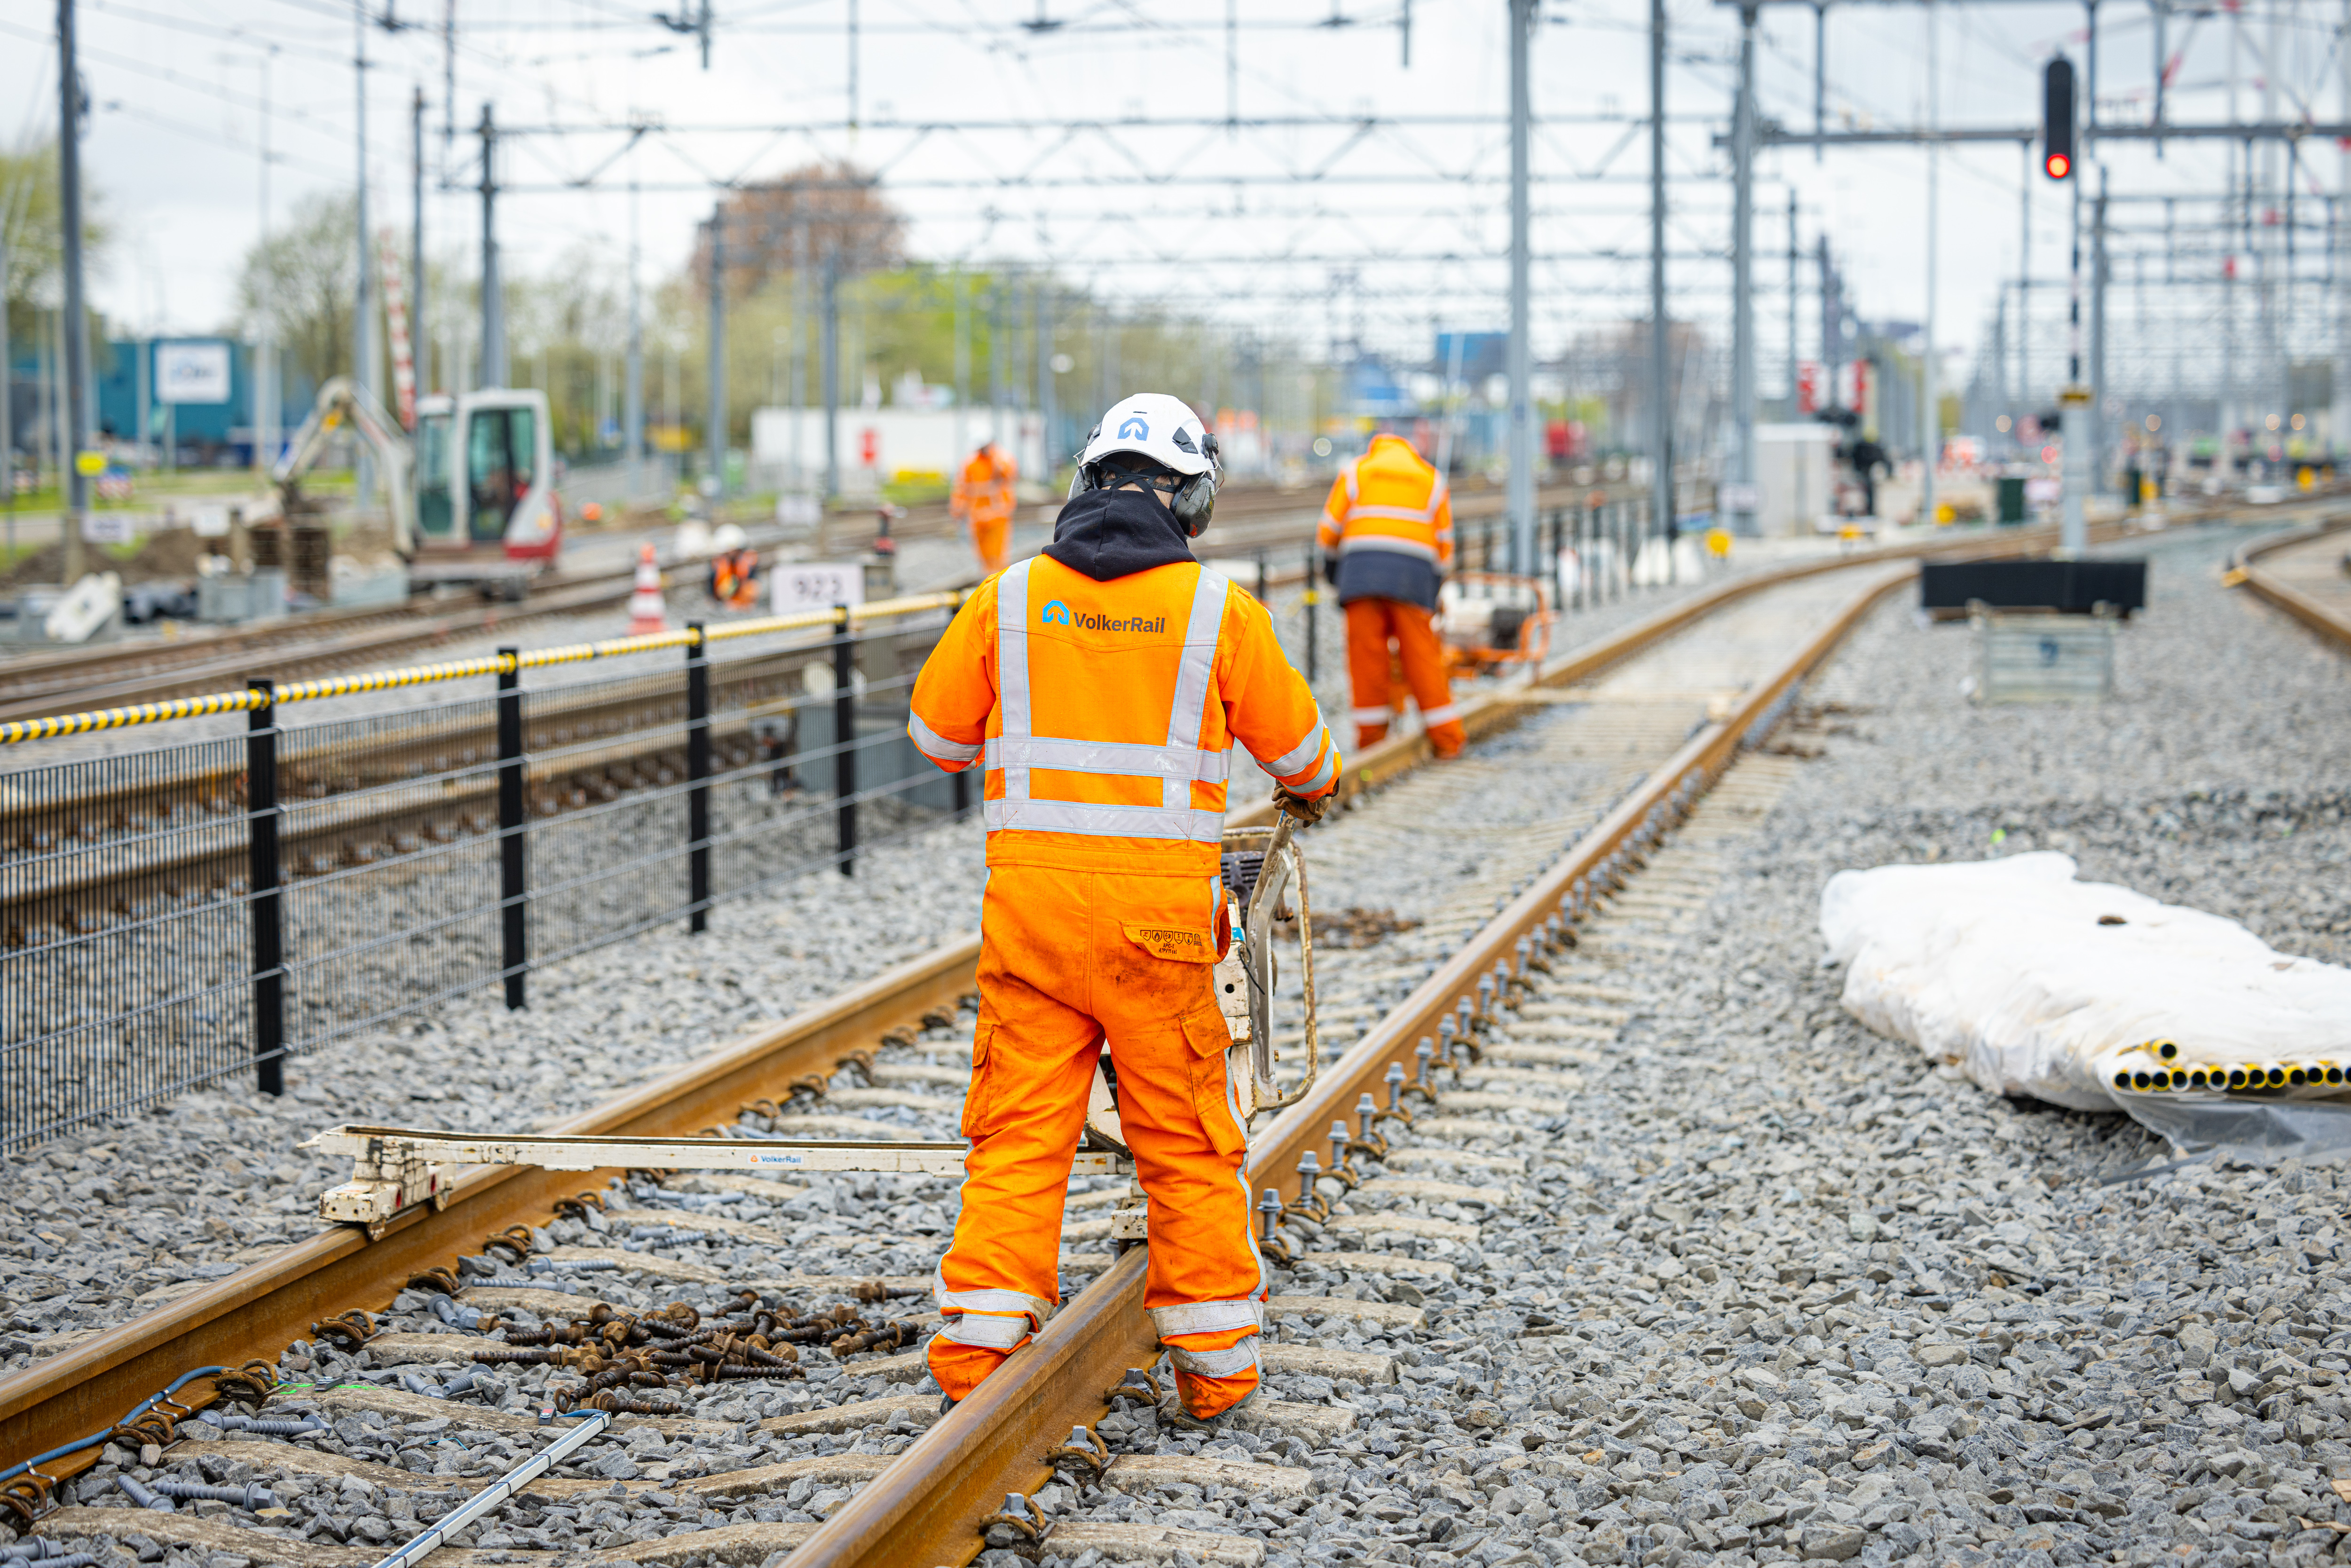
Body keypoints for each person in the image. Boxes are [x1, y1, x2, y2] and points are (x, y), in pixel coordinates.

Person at [906, 392, 1341, 1428]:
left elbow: (933, 741)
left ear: (1085, 482)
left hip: (1034, 917)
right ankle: (1215, 1368)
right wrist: (1308, 790)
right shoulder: (1218, 612)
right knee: (1186, 1140)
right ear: (1189, 500)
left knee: (1017, 1132)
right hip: (1159, 924)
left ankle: (975, 1348)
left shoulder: (1007, 598)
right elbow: (1308, 761)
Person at [1316, 432, 1465, 758]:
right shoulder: (1432, 479)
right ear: (1411, 451)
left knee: (1366, 661)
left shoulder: (1356, 471)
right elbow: (1446, 548)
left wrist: (1334, 574)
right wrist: (1433, 588)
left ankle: (1372, 744)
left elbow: (1327, 531)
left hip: (1360, 575)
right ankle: (1448, 739)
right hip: (1414, 578)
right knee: (1422, 657)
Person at [951, 441, 1020, 575]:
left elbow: (1010, 474)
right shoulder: (971, 463)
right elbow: (963, 487)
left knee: (998, 553)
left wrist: (994, 458)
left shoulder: (1001, 458)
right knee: (982, 553)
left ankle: (997, 578)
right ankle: (987, 578)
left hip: (998, 515)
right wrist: (958, 509)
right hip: (977, 515)